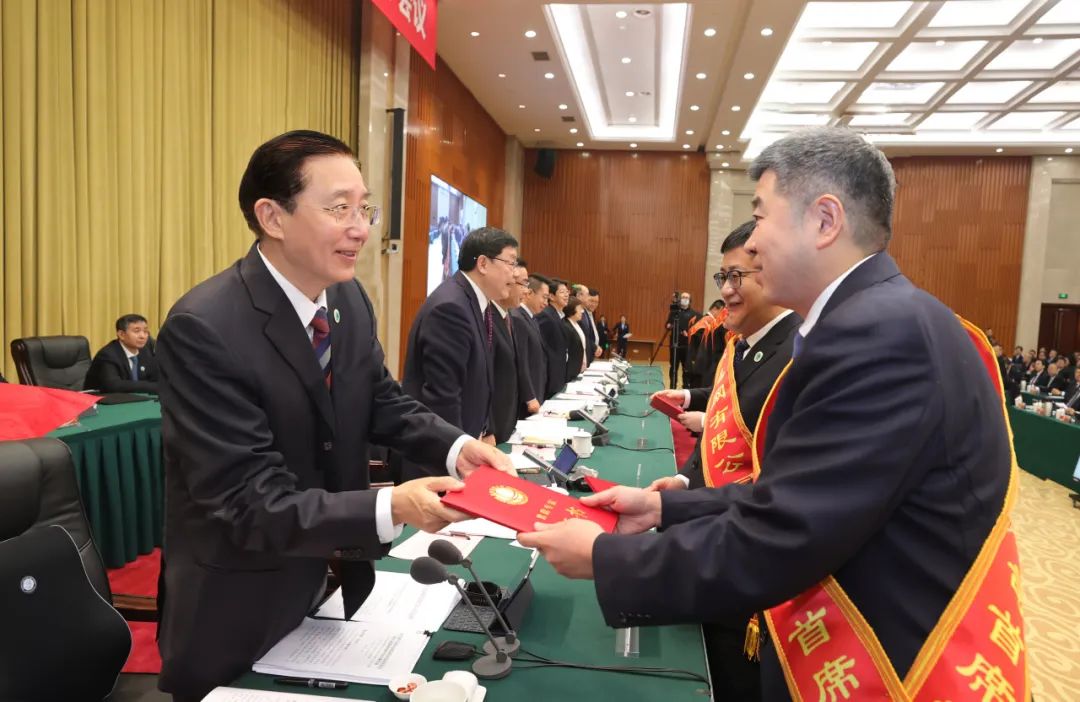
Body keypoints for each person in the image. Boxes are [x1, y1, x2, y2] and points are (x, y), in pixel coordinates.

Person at [519, 126, 1022, 701]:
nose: (753, 244)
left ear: (825, 221)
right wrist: (663, 507)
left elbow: (787, 532)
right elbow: (798, 491)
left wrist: (608, 559)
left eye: (761, 216)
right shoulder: (876, 318)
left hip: (892, 665)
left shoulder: (881, 335)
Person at [154, 131, 513, 702]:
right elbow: (248, 501)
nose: (361, 228)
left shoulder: (347, 299)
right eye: (338, 208)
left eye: (364, 208)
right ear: (272, 216)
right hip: (240, 606)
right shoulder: (205, 327)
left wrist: (457, 447)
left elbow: (380, 400)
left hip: (332, 590)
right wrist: (392, 505)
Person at [647, 221, 799, 700]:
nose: (727, 290)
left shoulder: (799, 354)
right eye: (723, 277)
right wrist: (683, 481)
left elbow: (777, 485)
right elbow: (721, 429)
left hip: (748, 566)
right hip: (712, 540)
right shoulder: (745, 344)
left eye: (738, 277)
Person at [401, 227, 519, 476]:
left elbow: (478, 380)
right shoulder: (451, 308)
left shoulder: (475, 303)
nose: (515, 273)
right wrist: (457, 462)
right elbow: (443, 398)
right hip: (439, 464)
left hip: (462, 448)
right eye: (510, 263)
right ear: (483, 264)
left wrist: (485, 430)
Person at [489, 261, 531, 442]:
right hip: (491, 428)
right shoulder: (487, 318)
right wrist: (487, 428)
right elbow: (482, 380)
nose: (526, 291)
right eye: (523, 284)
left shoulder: (509, 318)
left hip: (507, 421)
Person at [85, 314, 161, 393]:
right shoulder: (108, 355)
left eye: (145, 331)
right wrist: (154, 387)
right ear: (121, 335)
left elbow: (155, 376)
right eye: (136, 331)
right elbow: (113, 385)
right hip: (99, 398)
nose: (143, 336)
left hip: (132, 397)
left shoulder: (145, 350)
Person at [510, 274, 550, 417]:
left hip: (536, 391)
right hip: (526, 400)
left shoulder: (531, 318)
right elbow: (521, 362)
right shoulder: (517, 318)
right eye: (544, 297)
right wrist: (530, 397)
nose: (546, 303)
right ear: (530, 293)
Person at [537, 277, 571, 398]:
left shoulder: (559, 316)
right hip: (550, 379)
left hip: (559, 375)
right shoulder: (546, 315)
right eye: (562, 292)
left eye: (567, 292)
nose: (566, 295)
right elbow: (543, 350)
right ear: (551, 296)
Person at [666, 292, 699, 388]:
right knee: (673, 367)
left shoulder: (694, 314)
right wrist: (669, 325)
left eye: (687, 297)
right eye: (683, 297)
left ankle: (686, 387)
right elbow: (667, 324)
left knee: (687, 368)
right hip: (674, 344)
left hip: (687, 345)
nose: (684, 299)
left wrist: (688, 332)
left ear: (690, 300)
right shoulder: (674, 312)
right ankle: (672, 386)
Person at [562, 298, 588, 383]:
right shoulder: (566, 325)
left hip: (578, 367)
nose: (582, 311)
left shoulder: (577, 324)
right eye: (580, 308)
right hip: (570, 370)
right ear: (572, 309)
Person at [573, 284, 598, 365]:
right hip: (579, 358)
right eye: (587, 295)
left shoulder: (586, 312)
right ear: (578, 296)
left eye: (596, 302)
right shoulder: (575, 313)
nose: (588, 297)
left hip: (588, 355)